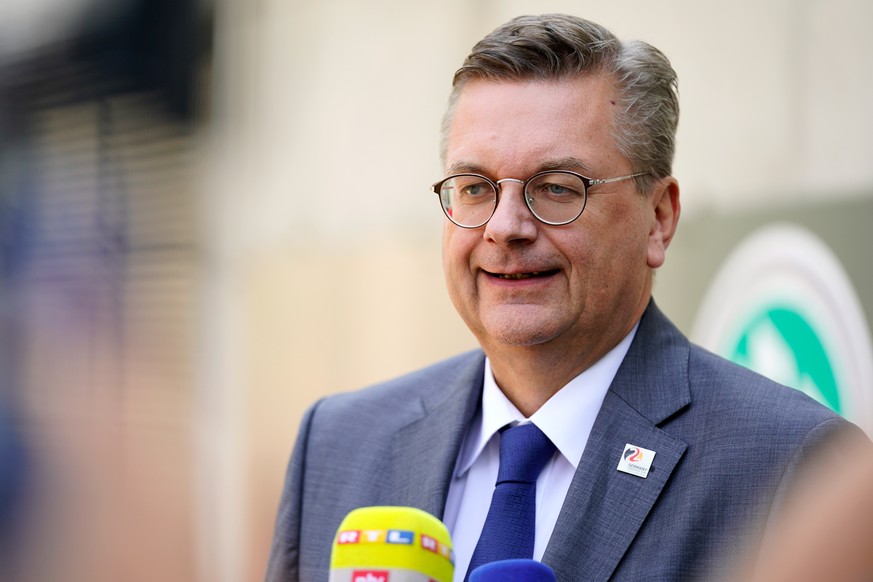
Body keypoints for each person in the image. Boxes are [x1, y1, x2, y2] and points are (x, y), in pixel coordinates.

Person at [265, 14, 856, 581]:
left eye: (555, 188)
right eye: (475, 188)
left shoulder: (793, 468)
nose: (506, 226)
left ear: (658, 219)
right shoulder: (339, 444)